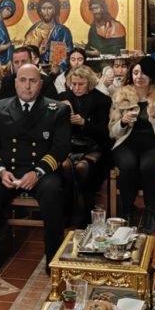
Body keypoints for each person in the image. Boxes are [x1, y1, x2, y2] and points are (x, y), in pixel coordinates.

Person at [0, 64, 71, 279]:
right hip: (7, 170)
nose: (27, 86)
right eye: (23, 80)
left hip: (41, 171)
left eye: (33, 81)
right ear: (15, 83)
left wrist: (37, 172)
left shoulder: (57, 110)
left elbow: (60, 149)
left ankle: (53, 256)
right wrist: (1, 172)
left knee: (53, 192)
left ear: (41, 84)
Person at [109, 56, 155, 233]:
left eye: (144, 73)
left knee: (149, 166)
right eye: (136, 72)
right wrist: (123, 122)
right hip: (126, 143)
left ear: (151, 75)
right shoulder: (121, 94)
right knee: (127, 165)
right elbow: (112, 132)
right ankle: (127, 210)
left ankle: (150, 211)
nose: (139, 77)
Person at [58, 65, 111, 226]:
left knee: (82, 168)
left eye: (81, 84)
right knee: (65, 166)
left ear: (89, 83)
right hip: (69, 145)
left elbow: (104, 132)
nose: (76, 88)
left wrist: (83, 123)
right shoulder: (64, 97)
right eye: (73, 84)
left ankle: (86, 213)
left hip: (93, 145)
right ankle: (67, 212)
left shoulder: (102, 100)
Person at [23, 0, 73, 72]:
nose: (46, 12)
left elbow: (68, 54)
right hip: (34, 71)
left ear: (54, 10)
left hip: (56, 73)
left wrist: (58, 68)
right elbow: (24, 55)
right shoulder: (32, 32)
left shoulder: (63, 31)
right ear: (40, 11)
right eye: (43, 8)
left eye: (49, 8)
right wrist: (39, 52)